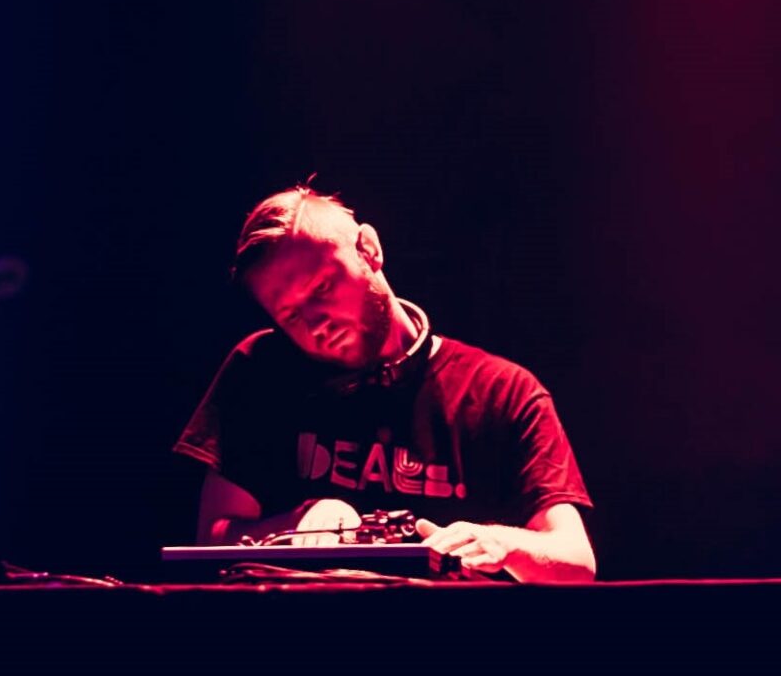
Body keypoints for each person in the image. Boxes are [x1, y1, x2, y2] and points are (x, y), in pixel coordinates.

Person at [175, 184, 597, 582]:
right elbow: (211, 541)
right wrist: (296, 524)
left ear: (369, 249)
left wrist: (501, 543)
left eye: (322, 288)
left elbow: (576, 561)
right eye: (291, 315)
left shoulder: (502, 391)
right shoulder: (260, 371)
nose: (316, 323)